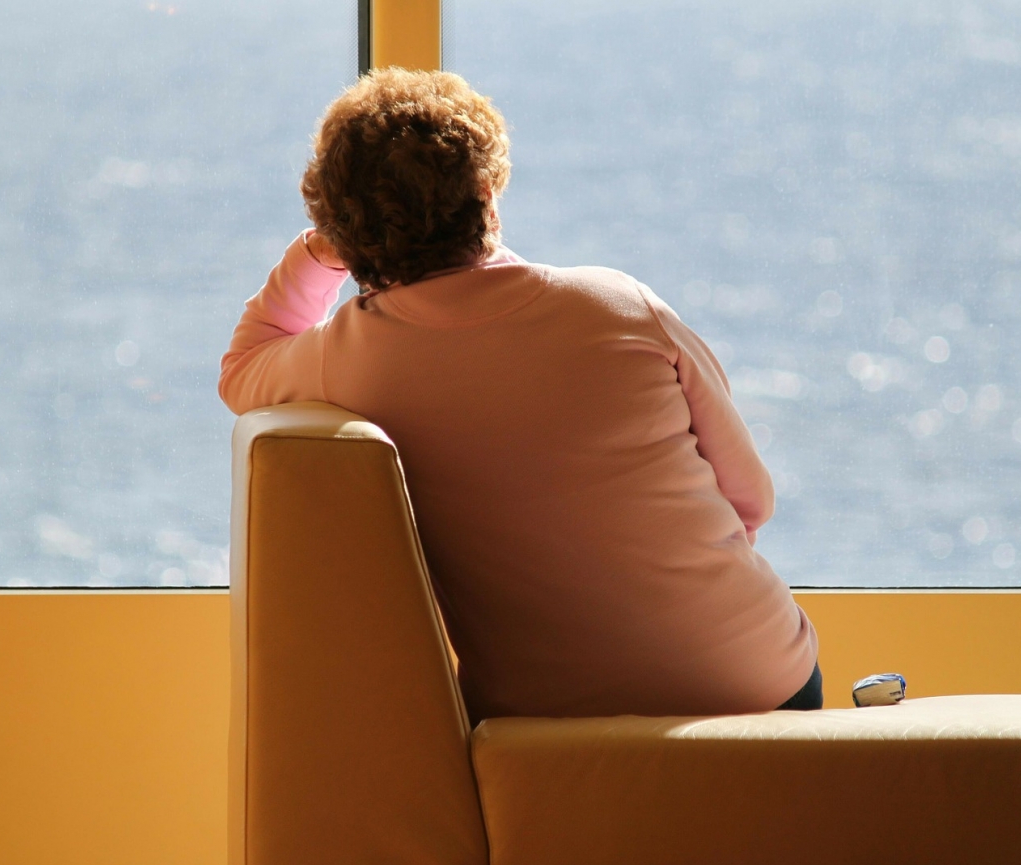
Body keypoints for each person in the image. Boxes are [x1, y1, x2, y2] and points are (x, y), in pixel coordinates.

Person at [219, 68, 820, 722]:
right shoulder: (619, 305)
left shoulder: (349, 358)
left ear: (344, 231)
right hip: (761, 685)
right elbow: (751, 501)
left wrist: (315, 256)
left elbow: (243, 367)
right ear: (486, 192)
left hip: (541, 724)